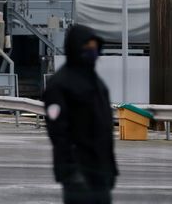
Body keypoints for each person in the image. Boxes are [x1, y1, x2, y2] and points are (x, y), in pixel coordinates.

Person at [43, 24, 118, 204]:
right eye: (87, 48)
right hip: (78, 172)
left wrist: (111, 168)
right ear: (76, 49)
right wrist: (70, 171)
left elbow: (105, 129)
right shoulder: (60, 84)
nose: (92, 53)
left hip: (101, 169)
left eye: (94, 48)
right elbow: (59, 133)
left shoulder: (97, 83)